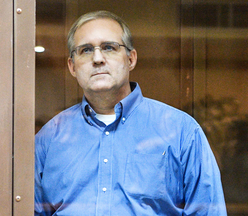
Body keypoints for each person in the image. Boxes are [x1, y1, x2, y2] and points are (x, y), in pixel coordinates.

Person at [35, 10, 227, 216]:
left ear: (131, 59)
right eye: (86, 50)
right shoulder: (49, 138)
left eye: (109, 47)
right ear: (72, 66)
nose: (98, 58)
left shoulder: (181, 131)